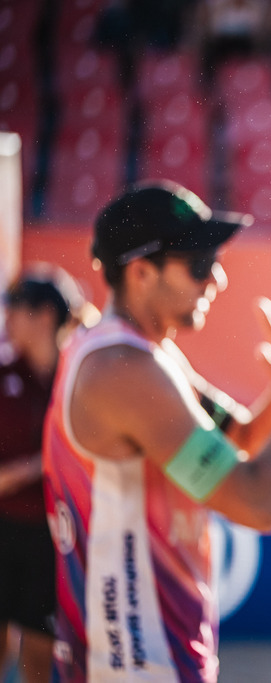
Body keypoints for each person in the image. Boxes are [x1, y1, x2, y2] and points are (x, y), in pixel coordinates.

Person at [42, 180, 271, 681]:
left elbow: (241, 439)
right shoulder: (124, 370)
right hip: (134, 666)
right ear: (140, 272)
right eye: (200, 264)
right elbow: (258, 503)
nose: (217, 280)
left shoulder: (140, 353)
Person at [0, 265, 90, 683]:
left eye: (16, 309)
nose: (8, 319)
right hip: (4, 528)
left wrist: (31, 467)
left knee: (39, 655)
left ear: (45, 316)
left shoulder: (85, 376)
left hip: (56, 538)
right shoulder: (4, 373)